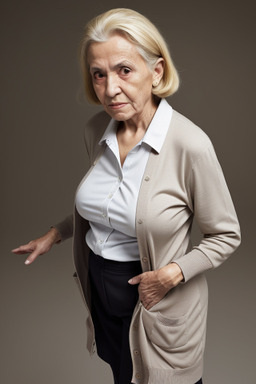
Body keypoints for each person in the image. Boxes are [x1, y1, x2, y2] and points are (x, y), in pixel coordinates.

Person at [12, 8, 241, 384]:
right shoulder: (95, 129)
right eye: (98, 74)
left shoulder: (190, 145)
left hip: (156, 295)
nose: (110, 88)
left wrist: (170, 275)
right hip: (102, 289)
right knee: (123, 376)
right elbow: (107, 207)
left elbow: (227, 234)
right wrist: (55, 234)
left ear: (157, 72)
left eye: (124, 70)